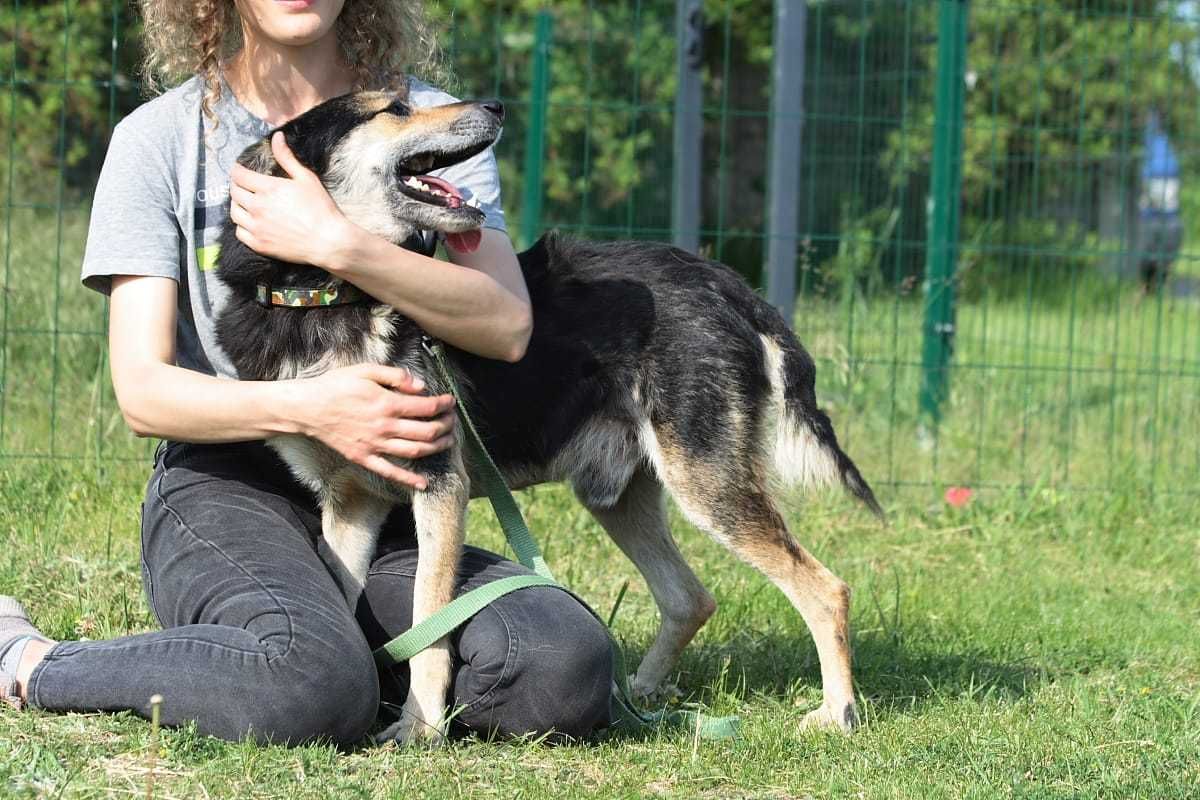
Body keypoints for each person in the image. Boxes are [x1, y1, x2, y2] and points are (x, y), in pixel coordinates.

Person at [0, 0, 613, 745]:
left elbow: (505, 323)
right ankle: (35, 659)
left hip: (375, 498)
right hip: (227, 483)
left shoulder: (426, 123)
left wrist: (337, 244)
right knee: (309, 685)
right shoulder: (158, 139)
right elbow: (143, 393)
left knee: (563, 664)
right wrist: (314, 408)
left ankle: (346, 662)